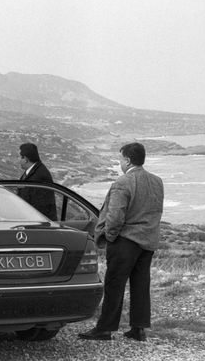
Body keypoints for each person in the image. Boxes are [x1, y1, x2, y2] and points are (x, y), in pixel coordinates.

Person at [79, 142, 164, 342]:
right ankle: (138, 328)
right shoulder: (157, 181)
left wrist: (109, 237)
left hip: (125, 241)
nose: (119, 163)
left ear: (127, 160)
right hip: (148, 240)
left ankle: (104, 329)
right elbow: (156, 210)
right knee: (141, 284)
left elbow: (115, 216)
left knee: (114, 284)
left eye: (120, 159)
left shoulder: (123, 182)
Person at [17, 142, 57, 220]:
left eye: (20, 158)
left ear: (25, 159)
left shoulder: (40, 176)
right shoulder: (31, 171)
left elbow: (40, 207)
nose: (19, 161)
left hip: (38, 225)